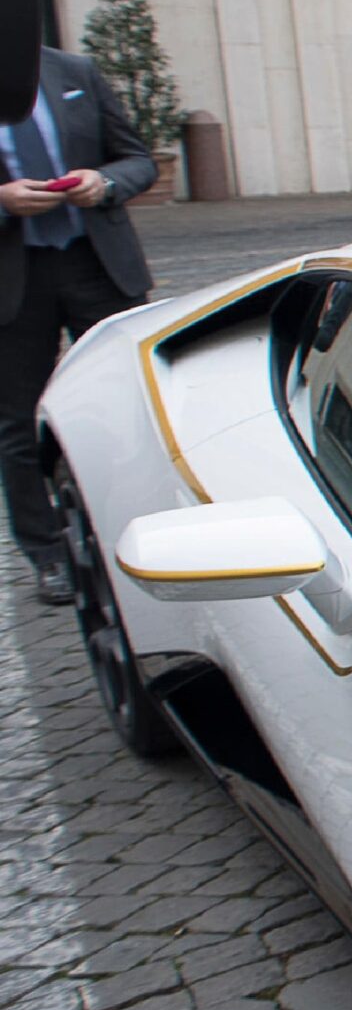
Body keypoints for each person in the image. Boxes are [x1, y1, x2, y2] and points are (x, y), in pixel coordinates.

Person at [0, 46, 156, 604]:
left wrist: (105, 182)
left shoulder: (74, 72)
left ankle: (146, 530)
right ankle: (49, 555)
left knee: (133, 405)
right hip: (16, 281)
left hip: (97, 264)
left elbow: (138, 160)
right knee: (18, 426)